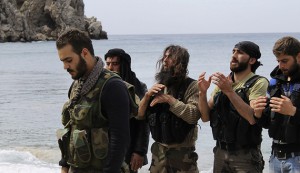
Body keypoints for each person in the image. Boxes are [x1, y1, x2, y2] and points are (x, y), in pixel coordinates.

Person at [55, 28, 130, 173]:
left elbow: (120, 140)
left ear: (84, 53)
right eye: (62, 61)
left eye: (69, 60)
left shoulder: (112, 86)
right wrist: (64, 167)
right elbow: (69, 129)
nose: (65, 67)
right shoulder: (76, 86)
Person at [198, 41, 269, 172]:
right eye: (233, 51)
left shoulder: (258, 82)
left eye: (240, 52)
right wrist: (202, 93)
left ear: (252, 60)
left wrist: (229, 91)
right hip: (220, 152)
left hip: (245, 156)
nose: (234, 56)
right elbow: (205, 117)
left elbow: (252, 118)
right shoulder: (225, 82)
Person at [138, 45, 201, 172]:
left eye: (170, 57)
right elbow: (139, 115)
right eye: (164, 56)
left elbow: (193, 115)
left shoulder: (192, 86)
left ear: (181, 62)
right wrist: (147, 96)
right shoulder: (160, 86)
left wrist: (169, 100)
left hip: (182, 155)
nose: (164, 60)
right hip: (158, 154)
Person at [253, 36, 300, 173]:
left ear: (298, 56)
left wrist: (294, 112)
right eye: (278, 61)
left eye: (285, 61)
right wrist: (258, 113)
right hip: (275, 158)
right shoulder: (274, 83)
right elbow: (267, 122)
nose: (281, 66)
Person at [104, 48, 150, 173]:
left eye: (115, 64)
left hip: (128, 149)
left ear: (123, 65)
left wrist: (139, 151)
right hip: (104, 148)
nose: (110, 68)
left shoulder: (138, 87)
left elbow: (143, 122)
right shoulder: (103, 86)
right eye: (108, 64)